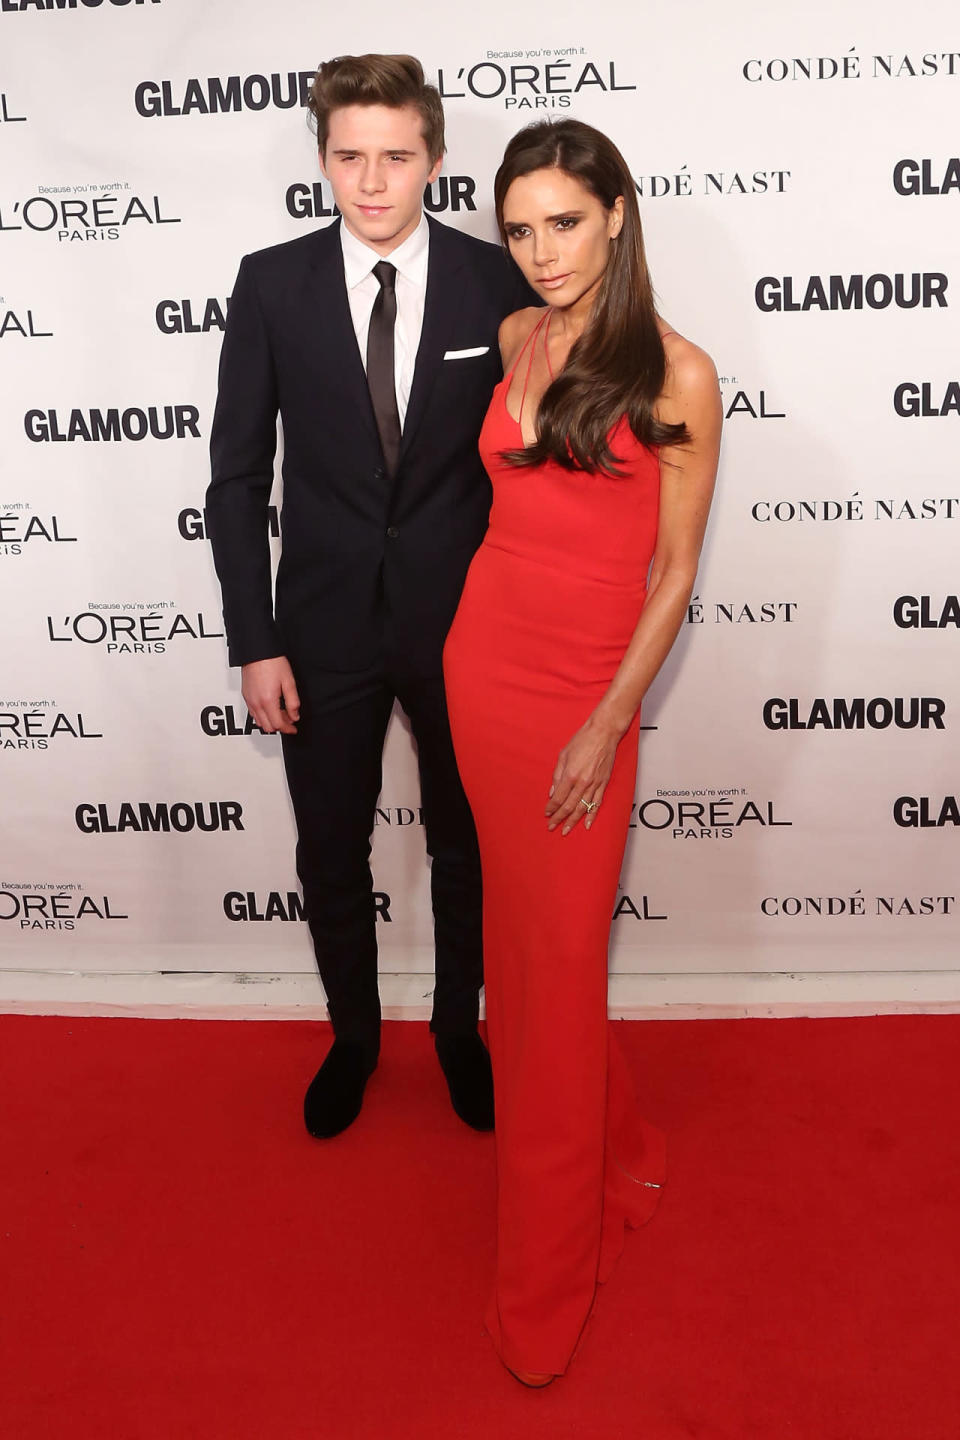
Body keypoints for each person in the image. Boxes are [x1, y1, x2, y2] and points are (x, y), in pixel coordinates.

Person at [206, 55, 534, 1139]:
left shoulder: (501, 286)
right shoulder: (272, 282)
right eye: (350, 156)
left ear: (436, 159)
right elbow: (238, 476)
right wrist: (254, 640)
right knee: (328, 847)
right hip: (322, 628)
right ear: (322, 160)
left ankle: (456, 1033)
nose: (373, 181)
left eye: (397, 157)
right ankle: (353, 1038)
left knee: (465, 844)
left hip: (468, 626)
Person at [443, 118, 722, 1385]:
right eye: (518, 228)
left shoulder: (677, 373)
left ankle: (546, 1280)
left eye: (565, 221)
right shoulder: (515, 338)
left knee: (552, 984)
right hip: (482, 667)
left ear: (617, 212)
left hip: (582, 697)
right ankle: (612, 1147)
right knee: (528, 958)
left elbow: (673, 573)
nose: (541, 252)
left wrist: (608, 724)